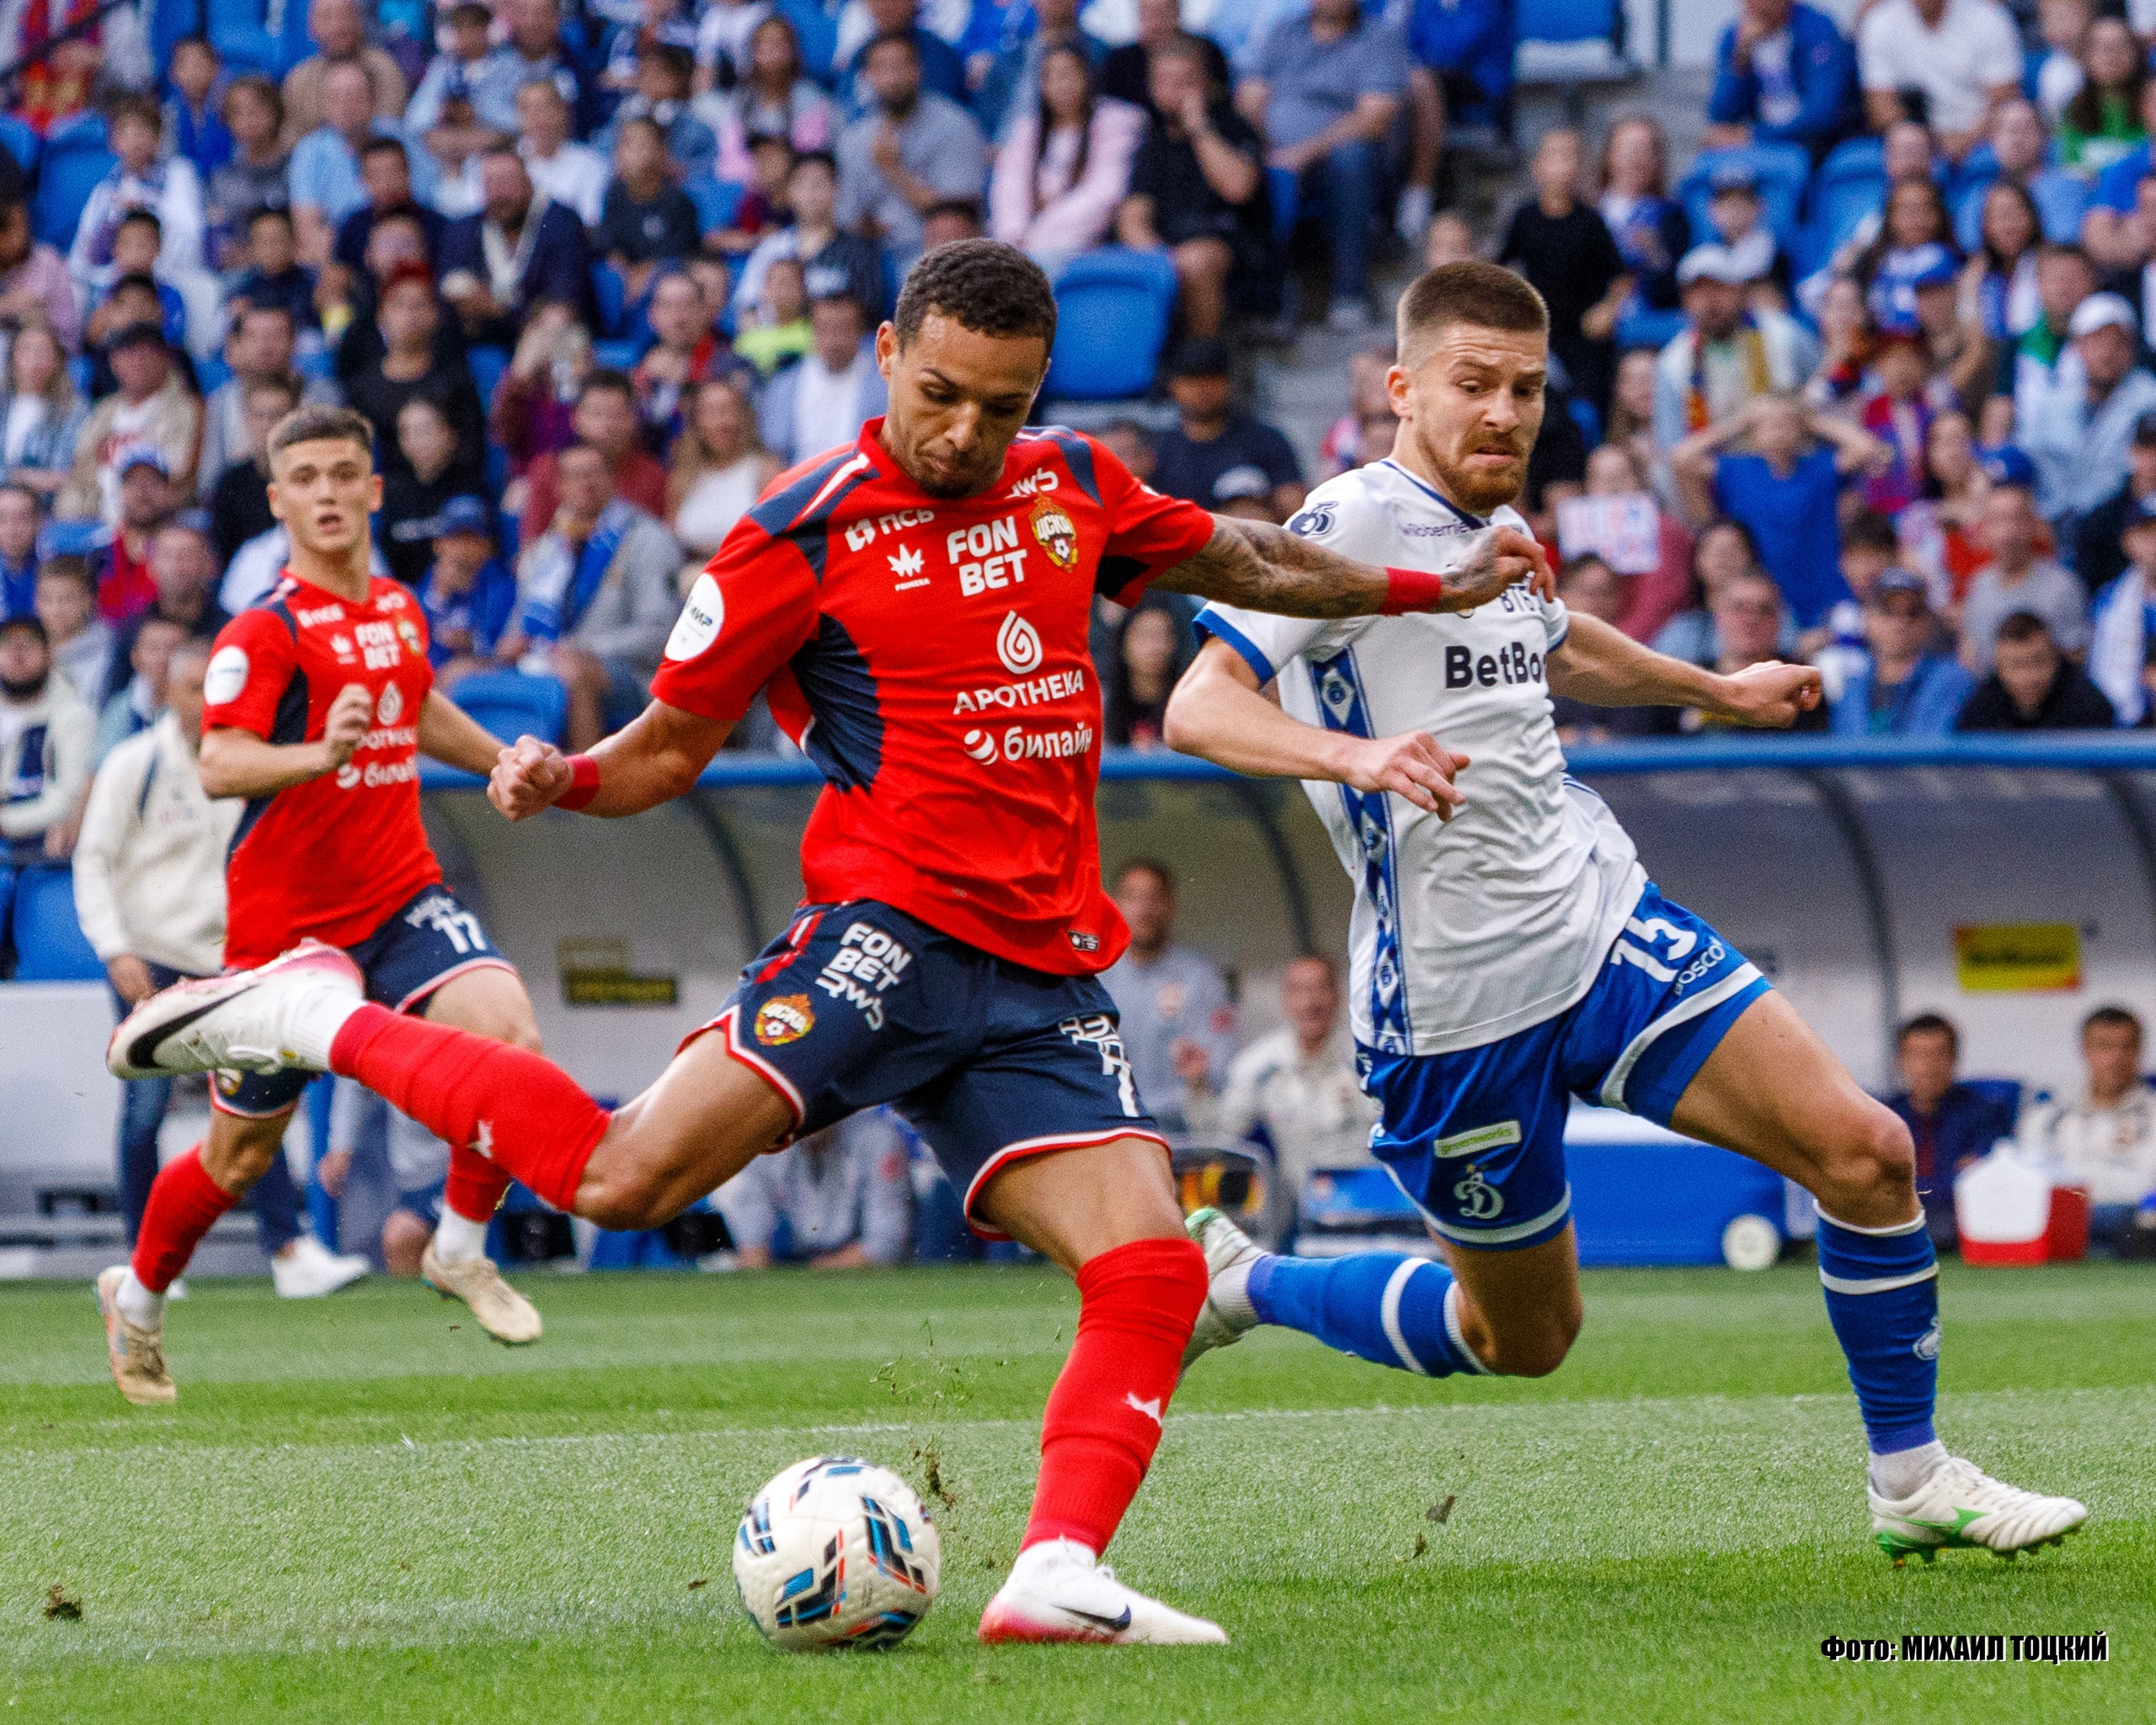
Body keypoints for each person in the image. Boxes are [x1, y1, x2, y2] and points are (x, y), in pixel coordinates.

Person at [109, 238, 1550, 1644]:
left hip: (1043, 968)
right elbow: (673, 745)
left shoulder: (1077, 484)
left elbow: (1241, 555)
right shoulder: (797, 533)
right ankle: (307, 1017)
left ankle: (1053, 1568)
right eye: (941, 395)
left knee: (1155, 1264)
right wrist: (575, 776)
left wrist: (1431, 587)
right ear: (885, 357)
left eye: (1004, 404)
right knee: (618, 1179)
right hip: (887, 938)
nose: (968, 432)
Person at [1165, 258, 2088, 1567]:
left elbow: (1558, 639)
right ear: (1400, 390)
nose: (1503, 413)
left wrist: (1717, 689)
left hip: (1601, 925)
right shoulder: (1347, 524)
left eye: (1526, 390)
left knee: (1869, 1154)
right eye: (1472, 385)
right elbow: (1197, 706)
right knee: (1524, 1342)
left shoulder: (1500, 531)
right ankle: (1241, 1282)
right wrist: (1360, 758)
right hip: (1453, 1005)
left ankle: (1913, 1477)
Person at [93, 403, 556, 1407]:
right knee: (238, 1156)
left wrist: (500, 761)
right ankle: (135, 1298)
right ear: (277, 499)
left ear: (376, 487)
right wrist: (320, 754)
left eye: (345, 473)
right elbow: (220, 762)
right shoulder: (263, 629)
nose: (328, 493)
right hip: (288, 941)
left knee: (510, 1039)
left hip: (399, 896)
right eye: (304, 478)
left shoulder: (396, 605)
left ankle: (460, 1249)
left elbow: (418, 702)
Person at [72, 638, 370, 1295]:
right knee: (146, 1111)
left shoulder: (250, 764)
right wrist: (114, 947)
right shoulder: (133, 763)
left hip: (234, 958)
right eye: (192, 687)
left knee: (255, 1099)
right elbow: (92, 859)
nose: (205, 701)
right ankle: (145, 1258)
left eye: (215, 687)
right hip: (149, 958)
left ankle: (290, 1254)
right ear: (167, 693)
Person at [1238, 0, 1409, 328]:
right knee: (1241, 165)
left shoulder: (1378, 38)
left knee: (1351, 158)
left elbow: (1374, 117)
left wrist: (1301, 155)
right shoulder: (1284, 33)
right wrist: (1260, 149)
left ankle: (1349, 293)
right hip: (1274, 152)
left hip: (1338, 158)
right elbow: (1250, 95)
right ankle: (1265, 298)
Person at [502, 440, 683, 750]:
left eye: (595, 473)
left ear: (612, 480)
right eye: (575, 475)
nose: (586, 483)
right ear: (559, 487)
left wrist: (581, 649)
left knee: (574, 673)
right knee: (457, 675)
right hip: (546, 661)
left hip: (634, 676)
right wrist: (510, 644)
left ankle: (587, 786)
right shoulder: (546, 551)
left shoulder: (647, 538)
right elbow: (519, 627)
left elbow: (661, 633)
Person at [1182, 953, 1380, 1230]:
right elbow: (1220, 1138)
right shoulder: (1260, 1065)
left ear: (1337, 995)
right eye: (1299, 991)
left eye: (1319, 989)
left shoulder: (1370, 1061)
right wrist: (1198, 1086)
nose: (1310, 1003)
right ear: (1286, 999)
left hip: (1374, 1213)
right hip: (1301, 1218)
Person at [1670, 393, 1886, 630]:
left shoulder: (1818, 467)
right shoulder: (1737, 470)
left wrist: (1811, 420)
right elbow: (1682, 456)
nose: (1777, 426)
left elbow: (1866, 448)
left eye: (1786, 421)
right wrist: (1740, 421)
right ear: (1754, 431)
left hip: (1822, 594)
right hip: (1762, 600)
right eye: (1767, 422)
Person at [1114, 35, 1267, 340]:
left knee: (1194, 260)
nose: (1173, 91)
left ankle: (1201, 360)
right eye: (1164, 81)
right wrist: (1158, 257)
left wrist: (1198, 127)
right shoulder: (1152, 141)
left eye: (1184, 81)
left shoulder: (1233, 126)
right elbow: (1133, 215)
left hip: (1237, 250)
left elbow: (1237, 188)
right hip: (1170, 249)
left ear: (1205, 83)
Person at [1098, 857, 1235, 1130]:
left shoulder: (1201, 979)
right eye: (1134, 898)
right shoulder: (1095, 979)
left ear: (1170, 905)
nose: (1144, 909)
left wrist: (1200, 1076)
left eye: (1153, 898)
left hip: (1180, 1133)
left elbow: (1223, 1066)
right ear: (1114, 905)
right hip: (1111, 1129)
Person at [1498, 129, 1626, 417]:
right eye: (1555, 156)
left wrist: (1608, 309)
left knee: (1586, 409)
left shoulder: (1591, 221)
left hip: (1584, 335)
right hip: (1540, 333)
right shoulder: (1524, 218)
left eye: (1572, 157)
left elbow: (1620, 275)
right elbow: (1501, 266)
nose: (1563, 165)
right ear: (1537, 167)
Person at [835, 31, 989, 270]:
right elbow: (846, 218)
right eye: (881, 69)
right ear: (866, 77)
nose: (892, 78)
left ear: (917, 70)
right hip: (874, 258)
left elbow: (960, 215)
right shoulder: (854, 138)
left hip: (941, 255)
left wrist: (894, 172)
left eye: (899, 66)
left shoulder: (956, 124)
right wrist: (866, 227)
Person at [989, 45, 1145, 280]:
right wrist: (1013, 238)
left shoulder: (1116, 121)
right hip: (1025, 249)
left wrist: (1035, 239)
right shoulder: (1027, 129)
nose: (1062, 85)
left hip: (1087, 245)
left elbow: (1105, 193)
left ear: (1087, 77)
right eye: (1052, 77)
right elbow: (1008, 189)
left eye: (1069, 74)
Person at [1652, 246, 1820, 455]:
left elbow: (1821, 399)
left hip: (1789, 465)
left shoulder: (1784, 334)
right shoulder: (1673, 363)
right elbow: (1672, 445)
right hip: (1719, 473)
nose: (1710, 301)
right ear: (1685, 301)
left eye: (1719, 288)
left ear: (1740, 291)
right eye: (1698, 292)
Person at [342, 264, 488, 489]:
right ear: (382, 315)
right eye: (399, 304)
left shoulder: (456, 382)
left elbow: (473, 452)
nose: (410, 314)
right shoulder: (362, 389)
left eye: (420, 304)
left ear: (435, 315)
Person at [2024, 292, 2156, 535]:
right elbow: (2031, 459)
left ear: (2130, 348)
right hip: (2055, 526)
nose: (2107, 353)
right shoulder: (2052, 401)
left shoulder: (2149, 399)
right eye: (2096, 341)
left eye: (2117, 342)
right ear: (2078, 347)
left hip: (2123, 527)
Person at [437, 147, 597, 347]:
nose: (499, 193)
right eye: (490, 184)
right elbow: (448, 283)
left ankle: (514, 379)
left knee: (555, 326)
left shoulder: (561, 222)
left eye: (507, 182)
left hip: (548, 335)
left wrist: (496, 307)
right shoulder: (465, 228)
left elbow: (564, 299)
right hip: (481, 336)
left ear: (528, 183)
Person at [1884, 1012, 2015, 1249]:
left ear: (1955, 1058)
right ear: (1900, 1061)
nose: (1928, 1066)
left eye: (1939, 1055)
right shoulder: (1884, 1116)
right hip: (1898, 1220)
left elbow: (1981, 1179)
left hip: (1958, 1221)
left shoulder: (1984, 1112)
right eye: (1918, 1055)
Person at [714, 1111, 912, 1268]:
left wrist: (813, 1273)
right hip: (800, 1258)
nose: (811, 1122)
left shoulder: (876, 1137)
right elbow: (753, 1250)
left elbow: (886, 1244)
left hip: (871, 1274)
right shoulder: (766, 1139)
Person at [2017, 1007, 2156, 1230]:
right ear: (2085, 1050)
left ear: (2139, 1052)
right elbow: (2032, 1183)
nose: (2116, 1058)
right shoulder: (2048, 1116)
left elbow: (2148, 1188)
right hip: (2064, 1231)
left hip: (2137, 1231)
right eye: (2104, 1047)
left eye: (2126, 1047)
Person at [57, 324, 201, 526]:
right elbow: (80, 467)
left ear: (165, 358)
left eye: (147, 352)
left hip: (153, 523)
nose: (137, 361)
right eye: (128, 352)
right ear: (113, 361)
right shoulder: (104, 410)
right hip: (94, 516)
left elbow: (176, 474)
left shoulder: (185, 409)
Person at [1151, 338, 1305, 526]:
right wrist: (1228, 520)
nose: (1203, 389)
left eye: (1213, 379)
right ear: (1174, 385)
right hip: (1186, 550)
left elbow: (1296, 510)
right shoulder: (1159, 450)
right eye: (1193, 380)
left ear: (1228, 383)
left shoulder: (1266, 440)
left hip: (1260, 545)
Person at [67, 94, 208, 299]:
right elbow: (81, 254)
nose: (134, 141)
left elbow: (192, 231)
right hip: (114, 283)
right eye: (125, 133)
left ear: (158, 138)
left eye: (142, 132)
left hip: (170, 279)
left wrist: (148, 202)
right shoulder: (104, 191)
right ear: (113, 141)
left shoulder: (178, 172)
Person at [195, 304, 336, 500]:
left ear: (294, 341)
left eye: (275, 335)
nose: (265, 346)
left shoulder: (323, 396)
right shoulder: (221, 401)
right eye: (253, 336)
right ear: (238, 343)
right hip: (240, 505)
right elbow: (209, 482)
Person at [519, 371, 669, 553]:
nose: (607, 424)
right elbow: (531, 548)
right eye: (597, 413)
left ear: (632, 419)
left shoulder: (653, 476)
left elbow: (658, 547)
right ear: (575, 418)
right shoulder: (548, 469)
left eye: (616, 414)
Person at [733, 151, 883, 330]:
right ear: (790, 191)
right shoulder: (771, 248)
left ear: (836, 189)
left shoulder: (858, 250)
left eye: (819, 184)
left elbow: (870, 313)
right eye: (803, 184)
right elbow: (746, 309)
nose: (811, 192)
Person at [1858, 0, 2020, 162]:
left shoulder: (1989, 18)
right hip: (1917, 139)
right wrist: (1932, 142)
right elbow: (1881, 107)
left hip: (1983, 138)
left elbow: (2003, 99)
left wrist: (1964, 143)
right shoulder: (1880, 22)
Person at [1961, 474, 2090, 671]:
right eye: (1997, 521)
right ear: (1984, 529)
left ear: (2033, 524)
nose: (2007, 533)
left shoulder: (2062, 586)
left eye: (2016, 519)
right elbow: (1970, 655)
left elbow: (2076, 657)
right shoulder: (1979, 584)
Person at [1828, 569, 1976, 736]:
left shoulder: (1951, 678)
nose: (1900, 624)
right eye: (1888, 612)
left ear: (1928, 622)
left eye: (1912, 613)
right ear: (1867, 619)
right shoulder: (1852, 686)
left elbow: (1929, 753)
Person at [1704, 0, 1858, 158]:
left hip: (1816, 145)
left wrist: (1755, 136)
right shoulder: (1735, 38)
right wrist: (1741, 62)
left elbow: (1823, 114)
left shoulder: (1818, 30)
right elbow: (1721, 116)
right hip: (1762, 146)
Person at [0, 611, 93, 870]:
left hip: (45, 852)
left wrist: (4, 823)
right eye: (7, 645)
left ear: (49, 654)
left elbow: (69, 801)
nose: (17, 655)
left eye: (29, 644)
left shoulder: (74, 714)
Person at [755, 291, 888, 466]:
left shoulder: (884, 385)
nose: (834, 340)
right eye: (825, 329)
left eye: (843, 329)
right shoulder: (784, 385)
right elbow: (773, 453)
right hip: (798, 481)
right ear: (812, 331)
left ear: (860, 330)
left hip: (860, 481)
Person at [290, 61, 400, 270]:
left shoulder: (400, 139)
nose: (346, 105)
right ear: (323, 104)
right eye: (335, 96)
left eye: (356, 95)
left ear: (374, 99)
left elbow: (420, 211)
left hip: (399, 255)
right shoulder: (309, 151)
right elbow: (309, 233)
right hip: (338, 262)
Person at [415, 496, 519, 686]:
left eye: (472, 540)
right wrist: (440, 595)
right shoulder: (424, 590)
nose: (463, 549)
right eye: (456, 539)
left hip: (481, 682)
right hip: (433, 682)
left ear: (487, 547)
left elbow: (504, 650)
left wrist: (472, 643)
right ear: (438, 545)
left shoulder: (501, 589)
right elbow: (417, 648)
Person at [597, 118, 702, 304]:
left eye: (644, 143)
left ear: (662, 151)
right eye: (628, 143)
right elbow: (610, 246)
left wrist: (645, 272)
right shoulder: (613, 196)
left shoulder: (678, 201)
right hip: (625, 285)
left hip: (663, 286)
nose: (636, 151)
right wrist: (622, 271)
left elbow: (679, 253)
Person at [379, 398, 480, 590]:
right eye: (408, 432)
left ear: (448, 433)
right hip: (407, 596)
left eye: (425, 430)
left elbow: (484, 553)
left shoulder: (470, 488)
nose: (418, 440)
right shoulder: (392, 493)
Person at [1956, 609, 2117, 729]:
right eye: (2016, 665)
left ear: (2056, 658)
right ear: (1999, 668)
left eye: (2038, 661)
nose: (2029, 677)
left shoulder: (2089, 707)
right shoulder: (1982, 707)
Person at [1596, 115, 1689, 319]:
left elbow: (1679, 289)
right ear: (1609, 155)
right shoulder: (1588, 213)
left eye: (1645, 150)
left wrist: (1655, 254)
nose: (1635, 158)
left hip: (1649, 325)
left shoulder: (1673, 216)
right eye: (1628, 149)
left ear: (1658, 161)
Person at [280, 0, 410, 146]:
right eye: (327, 17)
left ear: (360, 22)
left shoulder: (383, 67)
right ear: (312, 28)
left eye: (346, 15)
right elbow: (292, 140)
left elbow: (389, 131)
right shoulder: (299, 79)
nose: (338, 26)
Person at [205, 77, 293, 270]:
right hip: (239, 276)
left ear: (275, 112)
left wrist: (259, 255)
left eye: (255, 110)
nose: (247, 119)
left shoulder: (295, 169)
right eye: (237, 112)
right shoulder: (222, 179)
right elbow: (218, 246)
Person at [211, 377, 299, 566]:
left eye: (277, 415)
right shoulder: (231, 483)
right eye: (260, 415)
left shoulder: (310, 479)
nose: (268, 424)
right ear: (247, 420)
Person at [0, 318, 88, 504]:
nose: (34, 360)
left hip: (44, 506)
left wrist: (17, 478)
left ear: (57, 360)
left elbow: (63, 474)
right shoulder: (3, 403)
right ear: (13, 354)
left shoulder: (73, 409)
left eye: (43, 351)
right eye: (27, 349)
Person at [2075, 410, 2156, 598]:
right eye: (2146, 448)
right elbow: (2089, 583)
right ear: (2131, 452)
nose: (2153, 458)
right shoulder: (2102, 520)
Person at [515, 77, 610, 232]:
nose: (535, 116)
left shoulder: (591, 164)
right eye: (526, 108)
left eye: (543, 107)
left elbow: (591, 224)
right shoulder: (505, 162)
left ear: (562, 111)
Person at [0, 195, 83, 356]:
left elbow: (26, 302)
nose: (22, 234)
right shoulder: (6, 265)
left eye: (23, 224)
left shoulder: (45, 257)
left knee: (33, 315)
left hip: (61, 354)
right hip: (18, 356)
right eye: (12, 228)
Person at [1103, 599, 1186, 748]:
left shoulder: (1187, 707)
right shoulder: (1102, 709)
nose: (1156, 647)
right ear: (1123, 643)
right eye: (1145, 635)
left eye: (1164, 635)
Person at [34, 558, 111, 708]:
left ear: (88, 601)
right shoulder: (27, 651)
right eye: (47, 598)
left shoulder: (111, 654)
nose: (56, 609)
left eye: (67, 599)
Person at [0, 484, 35, 620]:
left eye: (22, 518)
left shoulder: (55, 570)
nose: (12, 530)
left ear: (38, 521)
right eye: (2, 519)